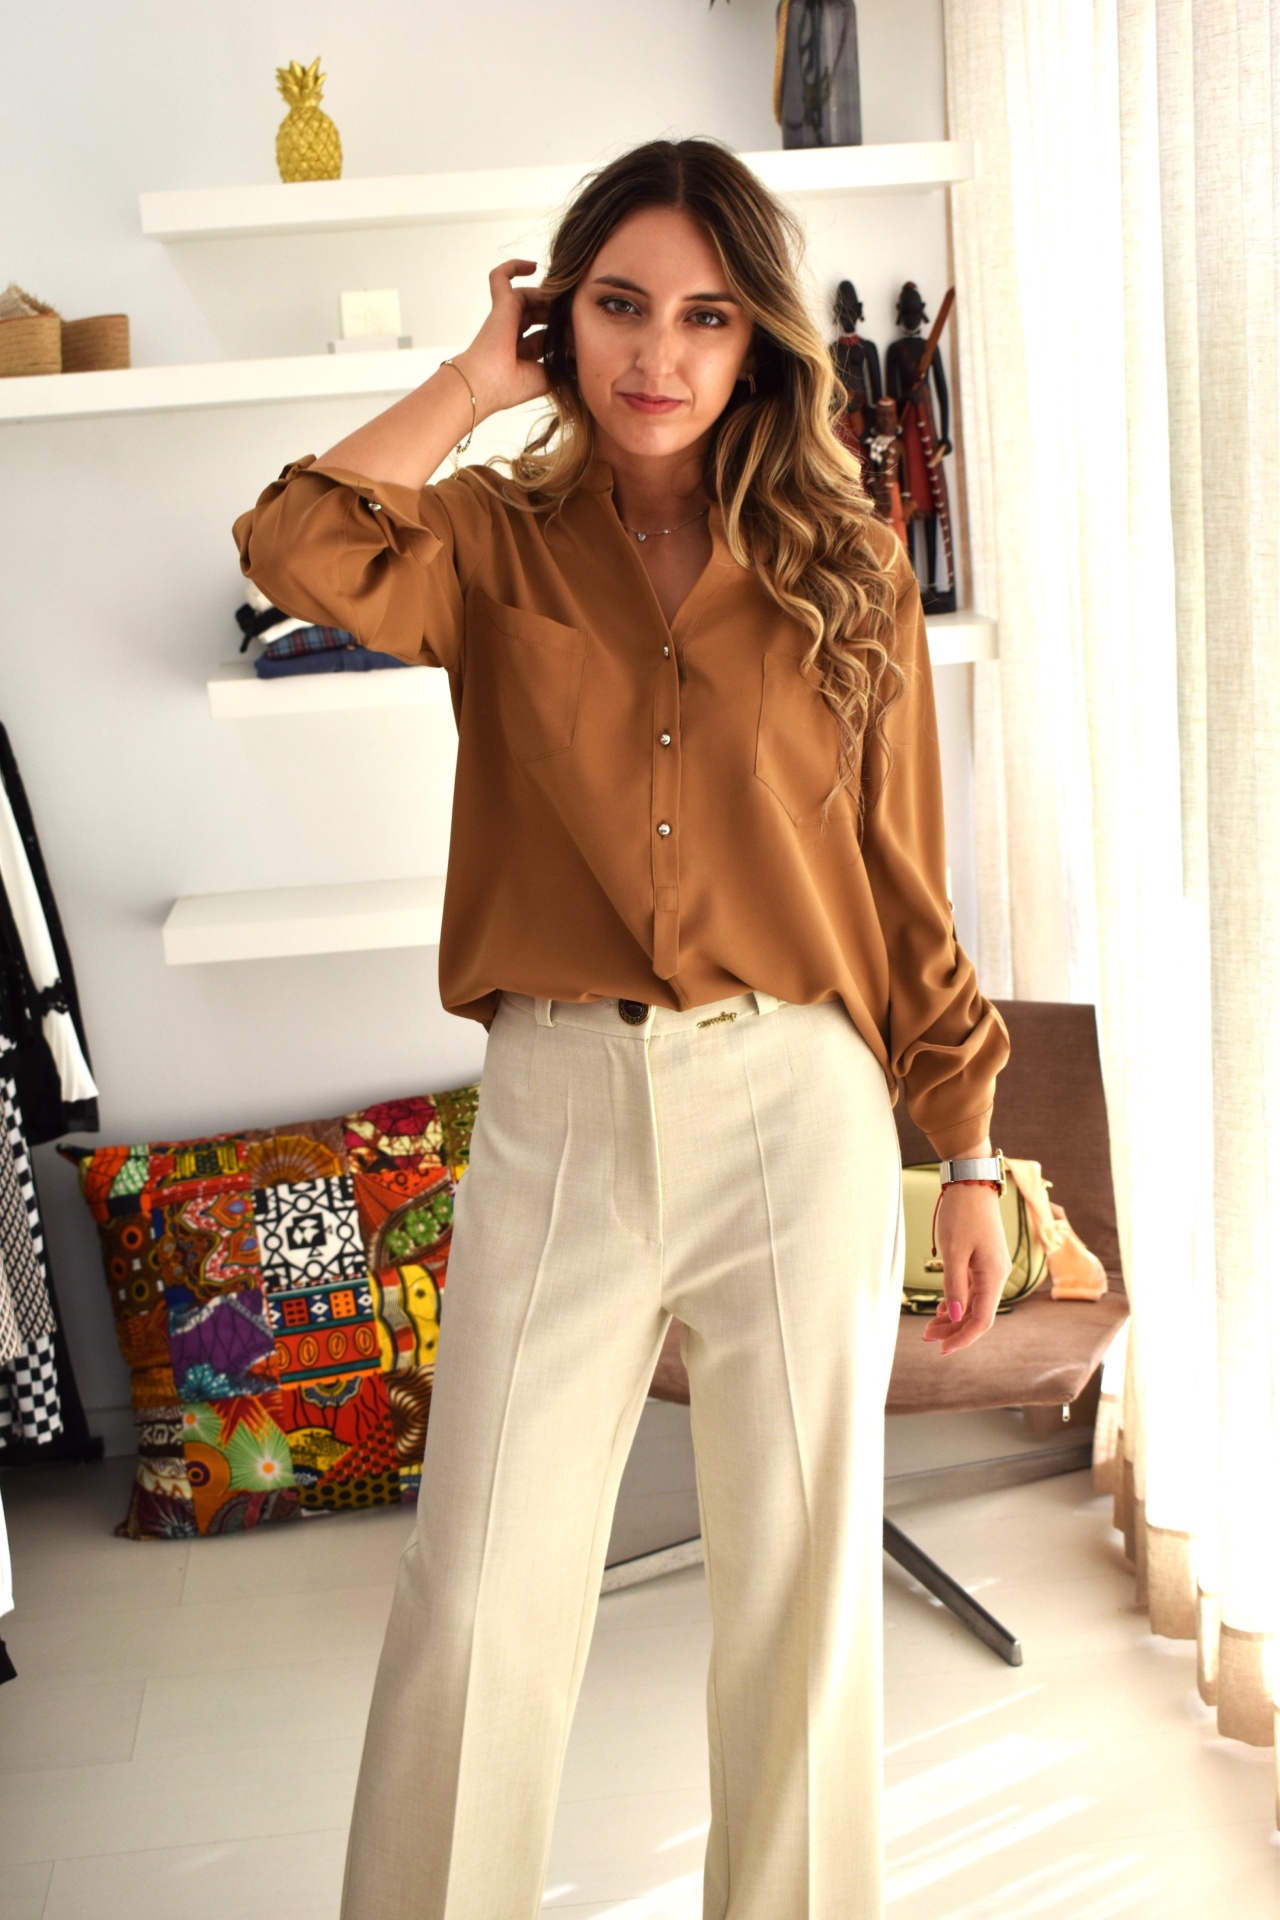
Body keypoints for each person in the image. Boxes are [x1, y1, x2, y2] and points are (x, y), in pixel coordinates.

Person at [233, 136, 1011, 1920]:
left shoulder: (846, 564)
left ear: (759, 341)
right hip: (563, 1105)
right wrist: (468, 383)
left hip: (795, 1110)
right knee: (475, 1600)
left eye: (708, 316)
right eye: (618, 306)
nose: (658, 353)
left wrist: (968, 1146)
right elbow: (291, 543)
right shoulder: (487, 544)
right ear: (558, 316)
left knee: (801, 1615)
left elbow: (902, 880)